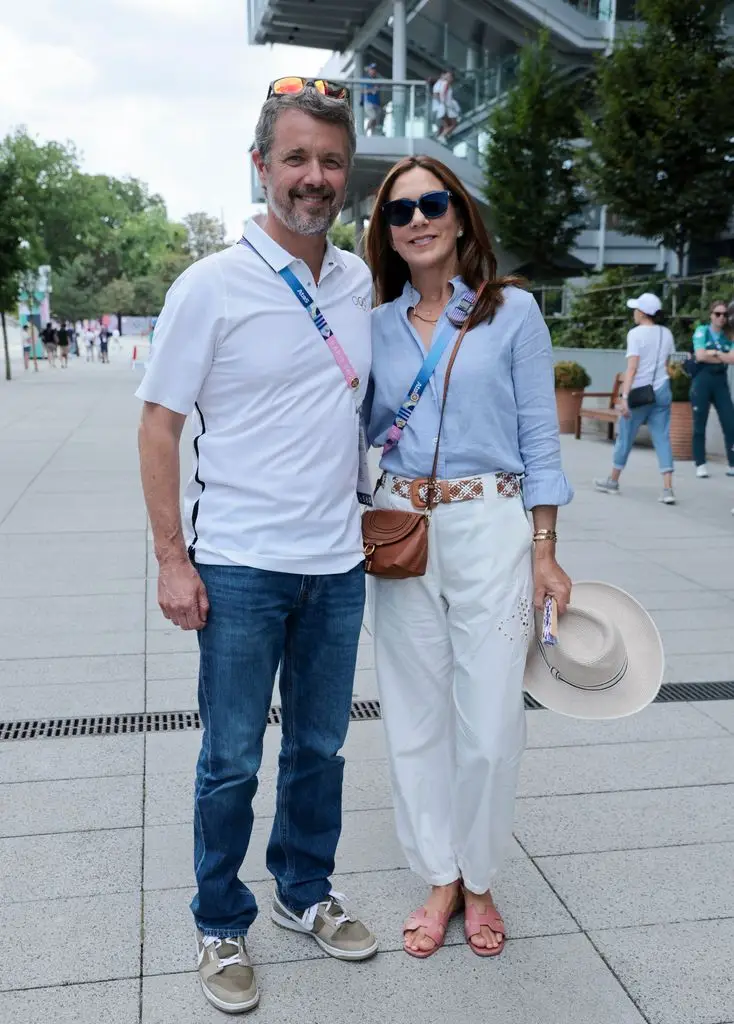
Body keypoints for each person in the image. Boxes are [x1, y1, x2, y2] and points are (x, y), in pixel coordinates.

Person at [136, 79, 377, 1015]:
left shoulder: (357, 280)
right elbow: (159, 425)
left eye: (330, 160)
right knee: (232, 757)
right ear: (261, 166)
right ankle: (218, 918)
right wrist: (173, 559)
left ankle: (304, 891)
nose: (314, 176)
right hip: (238, 565)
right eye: (297, 157)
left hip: (338, 563)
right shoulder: (210, 284)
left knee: (320, 748)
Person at [363, 155, 573, 959]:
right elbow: (347, 428)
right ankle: (440, 875)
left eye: (433, 203)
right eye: (400, 210)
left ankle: (480, 875)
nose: (417, 219)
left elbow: (540, 438)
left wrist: (546, 551)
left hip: (491, 523)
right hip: (401, 529)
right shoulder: (373, 326)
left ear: (459, 216)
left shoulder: (510, 312)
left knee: (488, 723)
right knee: (413, 717)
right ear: (386, 232)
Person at [594, 293, 677, 503]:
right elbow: (667, 365)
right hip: (662, 389)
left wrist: (624, 397)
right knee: (662, 437)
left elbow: (632, 369)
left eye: (636, 309)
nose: (634, 313)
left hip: (640, 393)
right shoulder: (666, 333)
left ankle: (613, 480)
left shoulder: (635, 334)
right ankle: (667, 489)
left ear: (642, 313)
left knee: (625, 436)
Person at [689, 299, 734, 477]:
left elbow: (732, 359)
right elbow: (700, 356)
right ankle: (700, 463)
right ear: (711, 315)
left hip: (720, 380)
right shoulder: (703, 331)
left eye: (725, 314)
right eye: (718, 314)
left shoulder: (729, 335)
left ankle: (732, 463)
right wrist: (720, 355)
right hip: (703, 379)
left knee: (730, 422)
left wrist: (713, 353)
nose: (721, 317)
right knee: (700, 422)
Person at [432, 70, 460, 141]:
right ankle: (442, 136)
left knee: (446, 125)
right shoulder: (444, 83)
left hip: (443, 107)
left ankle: (443, 136)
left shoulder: (443, 83)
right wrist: (443, 102)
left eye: (450, 76)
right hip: (445, 107)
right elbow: (441, 94)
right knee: (453, 124)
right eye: (448, 76)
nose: (449, 78)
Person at [362, 63, 383, 135]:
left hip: (376, 103)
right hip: (369, 102)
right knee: (373, 116)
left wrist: (377, 87)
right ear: (369, 70)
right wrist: (372, 90)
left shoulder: (377, 79)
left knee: (376, 120)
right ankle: (365, 132)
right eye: (372, 69)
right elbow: (362, 91)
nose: (374, 71)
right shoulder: (365, 79)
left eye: (375, 69)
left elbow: (382, 83)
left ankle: (372, 134)